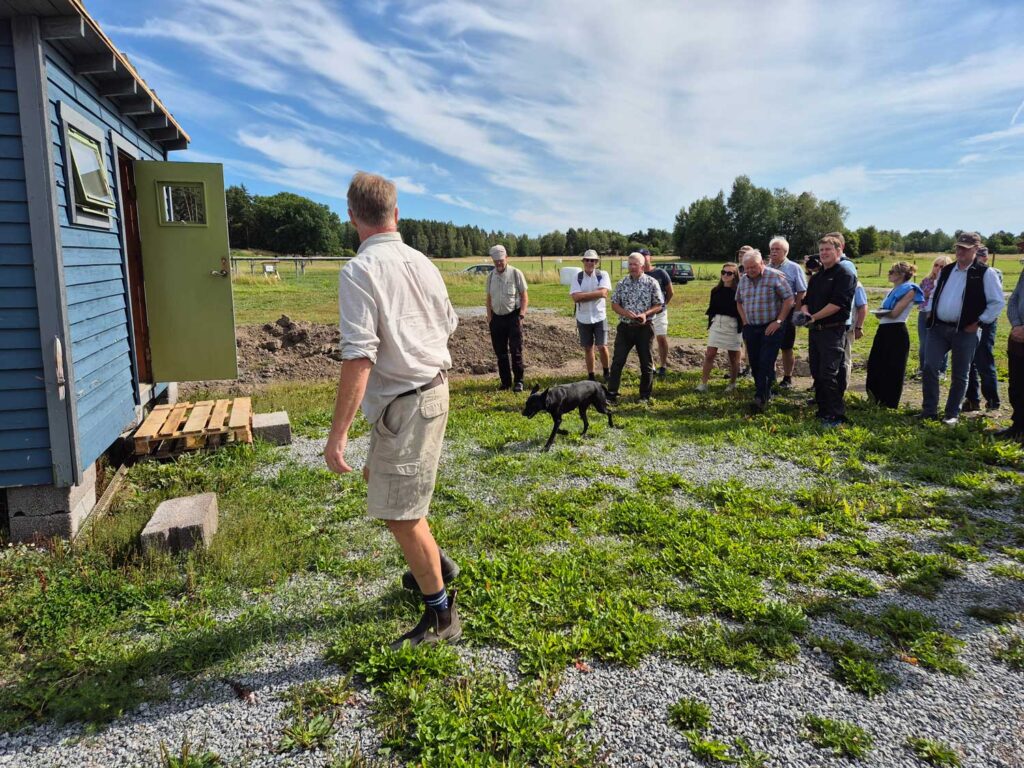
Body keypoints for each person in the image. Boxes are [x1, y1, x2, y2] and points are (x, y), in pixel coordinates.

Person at [326, 171, 461, 649]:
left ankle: (443, 616)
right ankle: (438, 566)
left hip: (408, 403)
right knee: (388, 490)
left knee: (401, 515)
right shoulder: (423, 262)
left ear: (352, 217)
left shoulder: (359, 271)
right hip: (430, 392)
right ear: (396, 213)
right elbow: (449, 323)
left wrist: (337, 434)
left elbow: (359, 354)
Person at [921, 231, 1004, 424]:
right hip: (939, 328)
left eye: (965, 248)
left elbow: (997, 302)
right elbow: (935, 292)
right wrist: (930, 311)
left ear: (975, 249)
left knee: (960, 374)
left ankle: (952, 414)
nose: (960, 251)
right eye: (958, 247)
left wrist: (980, 322)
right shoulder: (947, 269)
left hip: (965, 331)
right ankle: (929, 411)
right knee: (929, 367)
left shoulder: (985, 273)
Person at [798, 235, 858, 427]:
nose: (823, 253)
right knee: (816, 370)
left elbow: (838, 305)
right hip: (815, 330)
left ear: (839, 251)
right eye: (821, 250)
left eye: (828, 250)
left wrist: (814, 317)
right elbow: (806, 301)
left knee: (829, 372)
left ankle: (836, 414)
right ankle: (823, 410)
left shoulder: (845, 275)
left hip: (833, 330)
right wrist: (806, 312)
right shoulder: (817, 277)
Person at [735, 249, 794, 411]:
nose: (749, 270)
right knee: (754, 362)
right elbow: (739, 301)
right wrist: (745, 322)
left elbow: (789, 299)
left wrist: (779, 321)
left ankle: (761, 397)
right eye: (746, 267)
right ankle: (762, 392)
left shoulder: (775, 276)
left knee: (766, 361)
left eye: (753, 267)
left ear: (762, 263)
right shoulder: (744, 280)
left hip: (771, 327)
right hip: (751, 327)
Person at [607, 252, 664, 404]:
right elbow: (614, 304)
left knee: (646, 363)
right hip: (625, 327)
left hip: (644, 328)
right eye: (630, 264)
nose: (632, 267)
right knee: (618, 361)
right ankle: (611, 394)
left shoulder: (652, 283)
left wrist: (645, 314)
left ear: (642, 266)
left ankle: (644, 396)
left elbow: (659, 304)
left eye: (635, 264)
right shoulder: (622, 283)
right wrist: (625, 313)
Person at [865, 262, 924, 408]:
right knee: (876, 364)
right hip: (883, 329)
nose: (889, 273)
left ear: (902, 275)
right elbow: (883, 313)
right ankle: (874, 398)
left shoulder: (909, 289)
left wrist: (883, 312)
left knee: (893, 367)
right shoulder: (892, 290)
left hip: (896, 330)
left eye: (892, 271)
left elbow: (895, 313)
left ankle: (889, 402)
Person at [486, 244, 528, 392]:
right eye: (495, 260)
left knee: (515, 351)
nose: (498, 263)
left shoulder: (516, 273)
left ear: (506, 258)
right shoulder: (490, 276)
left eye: (501, 260)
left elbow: (524, 296)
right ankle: (505, 383)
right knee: (500, 353)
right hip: (496, 319)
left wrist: (521, 314)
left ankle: (519, 381)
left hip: (513, 317)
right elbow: (489, 299)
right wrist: (490, 319)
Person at [964, 246, 1002, 411]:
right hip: (968, 321)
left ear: (987, 257)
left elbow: (995, 301)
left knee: (983, 359)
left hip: (986, 321)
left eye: (983, 256)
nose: (980, 258)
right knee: (968, 361)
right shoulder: (965, 271)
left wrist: (982, 320)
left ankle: (993, 400)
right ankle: (972, 399)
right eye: (977, 255)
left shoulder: (992, 272)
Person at [767, 236, 807, 388]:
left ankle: (787, 378)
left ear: (785, 251)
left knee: (786, 346)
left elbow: (801, 291)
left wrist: (796, 313)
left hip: (788, 313)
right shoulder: (766, 267)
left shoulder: (794, 268)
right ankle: (770, 377)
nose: (774, 252)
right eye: (772, 249)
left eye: (777, 249)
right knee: (769, 345)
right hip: (769, 313)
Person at [698, 263, 743, 392]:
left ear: (735, 276)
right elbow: (712, 309)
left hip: (733, 325)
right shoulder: (715, 290)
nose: (725, 275)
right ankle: (703, 384)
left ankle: (732, 383)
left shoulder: (738, 291)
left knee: (733, 357)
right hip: (717, 323)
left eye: (729, 273)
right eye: (723, 272)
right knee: (710, 354)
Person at [571, 249, 611, 381]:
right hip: (583, 318)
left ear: (597, 262)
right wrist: (596, 294)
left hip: (600, 316)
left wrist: (582, 296)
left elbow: (604, 293)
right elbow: (575, 298)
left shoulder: (603, 274)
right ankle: (591, 376)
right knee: (588, 348)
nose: (590, 262)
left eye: (592, 260)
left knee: (602, 346)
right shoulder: (577, 276)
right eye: (587, 260)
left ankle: (606, 372)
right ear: (583, 261)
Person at [915, 255, 953, 379]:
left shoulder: (950, 281)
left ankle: (941, 371)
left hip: (940, 315)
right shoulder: (927, 280)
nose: (938, 268)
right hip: (924, 313)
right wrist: (924, 295)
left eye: (942, 266)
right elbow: (918, 298)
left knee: (942, 343)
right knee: (924, 342)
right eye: (936, 265)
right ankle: (923, 369)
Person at [1000, 262, 1024, 441]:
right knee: (1016, 384)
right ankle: (1018, 427)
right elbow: (1014, 299)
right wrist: (1016, 325)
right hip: (1018, 336)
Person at [642, 249, 674, 377]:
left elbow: (670, 292)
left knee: (661, 338)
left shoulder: (660, 273)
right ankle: (651, 366)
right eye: (641, 256)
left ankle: (663, 365)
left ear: (650, 258)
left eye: (645, 255)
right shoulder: (638, 274)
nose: (644, 258)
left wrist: (663, 305)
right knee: (646, 340)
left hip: (660, 312)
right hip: (645, 314)